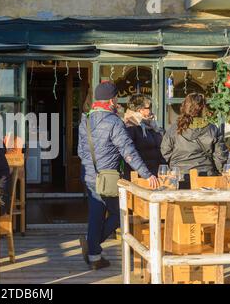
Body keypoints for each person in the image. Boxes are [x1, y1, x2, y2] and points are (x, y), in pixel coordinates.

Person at [77, 82, 159, 270]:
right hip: (108, 177)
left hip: (89, 176)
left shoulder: (85, 120)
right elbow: (128, 151)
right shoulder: (114, 121)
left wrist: (91, 168)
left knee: (96, 214)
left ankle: (94, 254)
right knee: (119, 214)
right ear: (112, 99)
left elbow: (81, 151)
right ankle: (93, 247)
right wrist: (146, 174)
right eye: (116, 98)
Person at [161, 93, 229, 188]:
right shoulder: (212, 129)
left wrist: (172, 167)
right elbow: (220, 157)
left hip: (179, 178)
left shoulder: (173, 129)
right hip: (206, 178)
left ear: (184, 107)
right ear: (202, 108)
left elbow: (164, 153)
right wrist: (220, 171)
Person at [123, 94, 166, 179]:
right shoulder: (131, 126)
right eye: (148, 107)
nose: (151, 110)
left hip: (155, 173)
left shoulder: (151, 124)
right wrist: (145, 174)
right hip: (140, 176)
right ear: (140, 110)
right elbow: (129, 153)